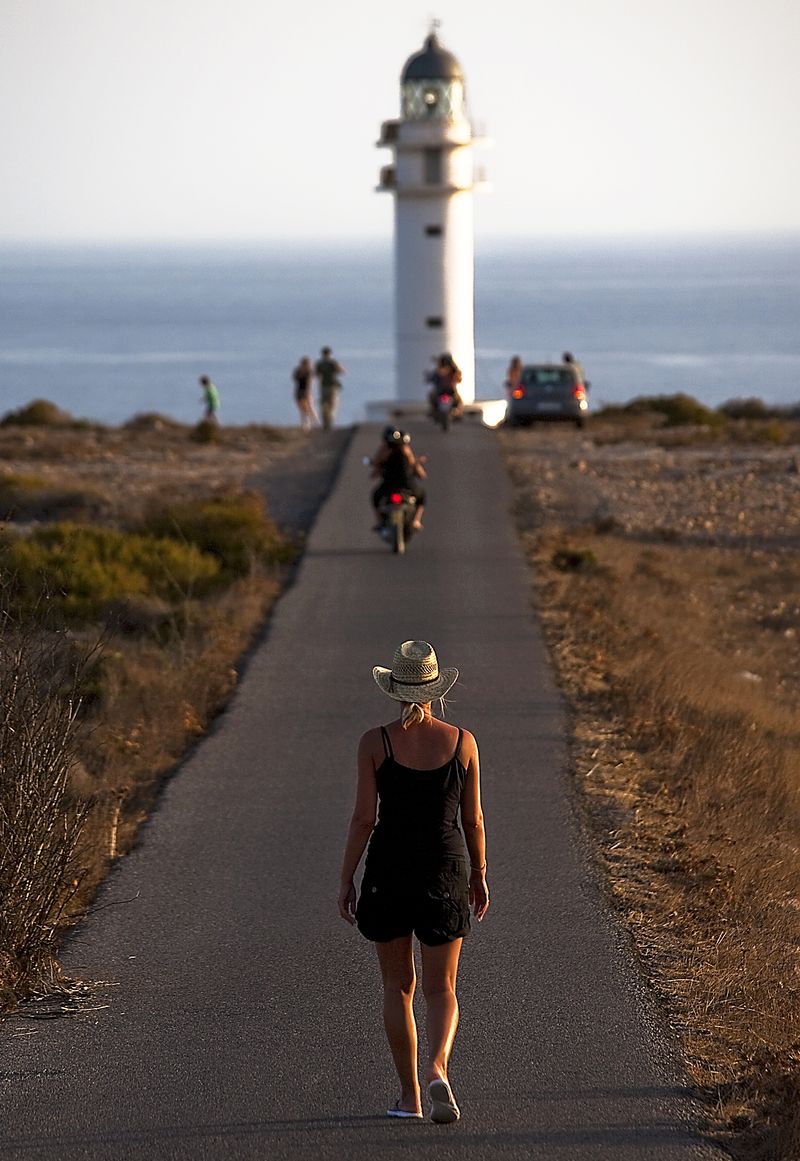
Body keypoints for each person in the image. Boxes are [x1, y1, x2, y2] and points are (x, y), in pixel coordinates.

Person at [338, 640, 489, 1124]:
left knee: (397, 986)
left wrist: (347, 879)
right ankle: (439, 1068)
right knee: (442, 988)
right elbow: (475, 820)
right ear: (435, 689)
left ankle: (410, 1097)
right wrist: (480, 875)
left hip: (388, 872)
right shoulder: (463, 741)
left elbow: (364, 819)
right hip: (446, 869)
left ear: (395, 691)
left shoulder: (374, 743)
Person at [369, 426, 427, 531]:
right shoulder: (405, 450)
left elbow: (375, 470)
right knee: (421, 496)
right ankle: (416, 521)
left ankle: (379, 522)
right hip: (406, 484)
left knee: (375, 497)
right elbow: (418, 471)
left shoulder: (384, 450)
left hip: (390, 485)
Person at [315, 346, 345, 430]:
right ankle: (330, 419)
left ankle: (325, 420)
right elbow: (342, 371)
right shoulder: (333, 362)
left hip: (323, 386)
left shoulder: (319, 363)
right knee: (333, 404)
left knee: (324, 404)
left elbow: (316, 375)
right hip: (332, 386)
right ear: (330, 354)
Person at [427, 353, 464, 418]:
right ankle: (457, 413)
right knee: (459, 401)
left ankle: (433, 411)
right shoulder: (454, 370)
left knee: (431, 396)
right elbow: (459, 379)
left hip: (442, 391)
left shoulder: (440, 370)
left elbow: (433, 377)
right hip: (450, 391)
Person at [292, 356, 319, 431]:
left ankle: (315, 423)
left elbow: (310, 382)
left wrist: (308, 392)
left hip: (306, 391)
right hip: (299, 391)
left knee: (310, 407)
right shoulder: (298, 371)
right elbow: (294, 378)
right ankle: (306, 424)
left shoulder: (309, 371)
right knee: (302, 409)